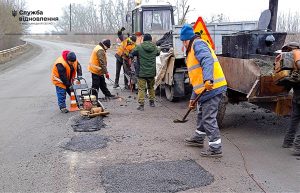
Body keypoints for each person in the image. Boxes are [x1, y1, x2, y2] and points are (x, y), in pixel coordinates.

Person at [180, 24, 227, 157]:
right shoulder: (191, 50)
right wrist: (192, 99)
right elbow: (196, 78)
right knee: (202, 113)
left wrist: (208, 79)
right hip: (205, 89)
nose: (183, 44)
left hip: (213, 87)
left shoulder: (198, 44)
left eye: (183, 41)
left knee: (208, 118)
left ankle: (215, 148)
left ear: (186, 40)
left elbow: (207, 60)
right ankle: (198, 138)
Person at [130, 33, 160, 111]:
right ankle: (152, 102)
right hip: (151, 72)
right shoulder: (154, 47)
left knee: (141, 89)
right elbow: (158, 53)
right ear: (150, 39)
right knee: (151, 87)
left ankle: (141, 105)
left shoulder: (139, 47)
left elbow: (131, 54)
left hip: (141, 73)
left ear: (143, 39)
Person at [281, 42, 300, 156]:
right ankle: (298, 147)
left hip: (297, 93)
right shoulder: (297, 53)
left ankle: (287, 142)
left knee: (294, 119)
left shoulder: (286, 60)